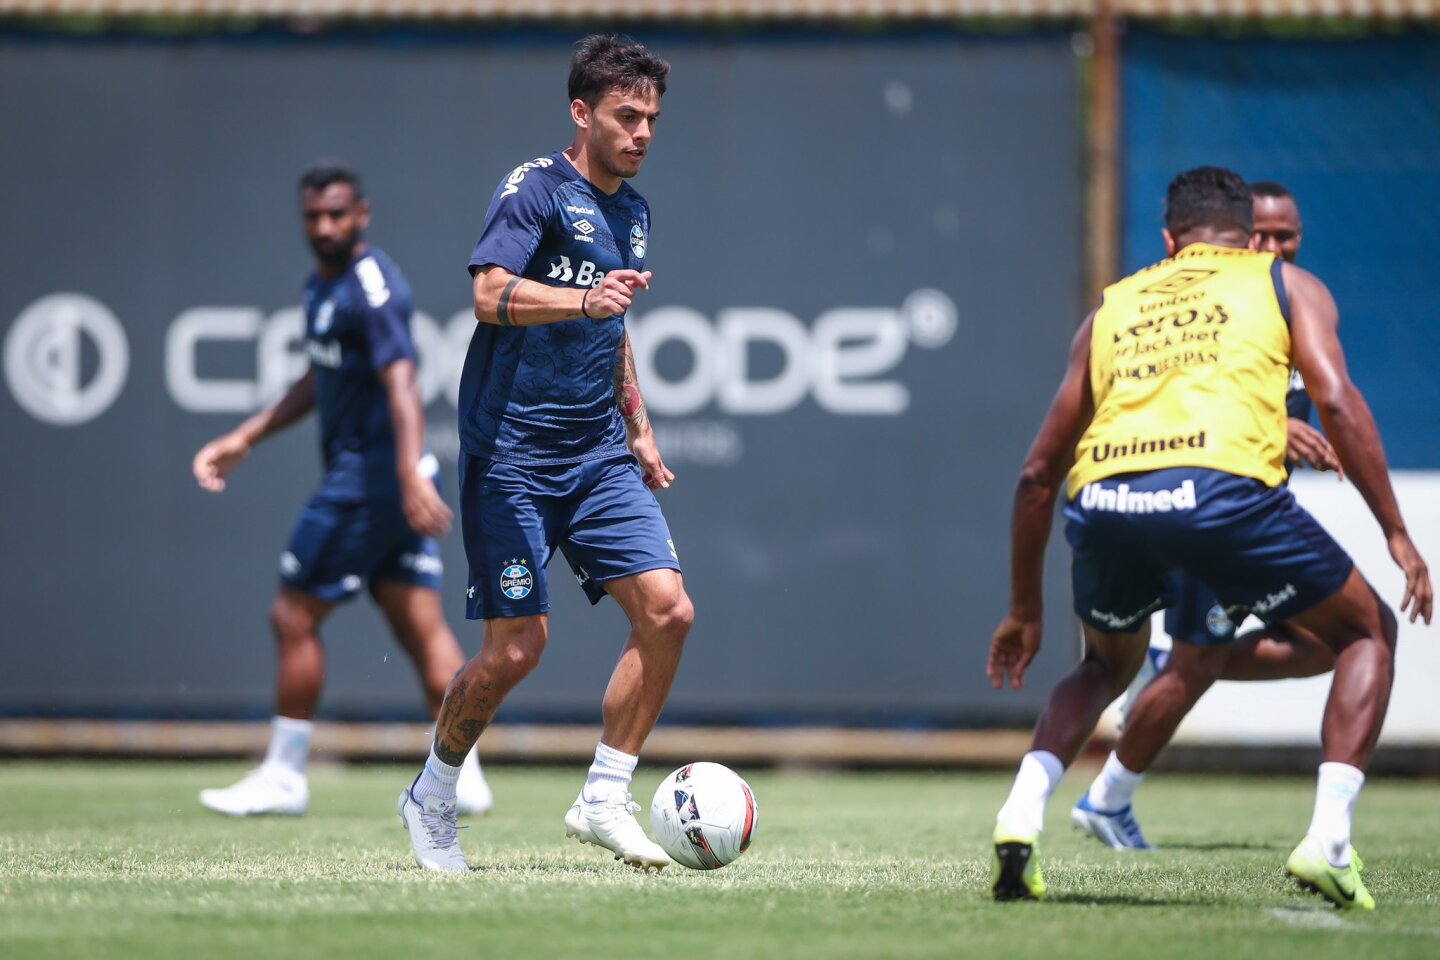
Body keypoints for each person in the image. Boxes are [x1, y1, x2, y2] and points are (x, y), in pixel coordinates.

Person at [985, 166, 1431, 909]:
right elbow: (1340, 400)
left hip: (1106, 498)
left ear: (1169, 238)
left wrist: (1024, 611)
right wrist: (1397, 534)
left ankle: (1019, 815)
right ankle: (1329, 843)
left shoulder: (1114, 307)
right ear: (1251, 236)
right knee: (1366, 631)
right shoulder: (1288, 288)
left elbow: (1037, 474)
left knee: (1103, 664)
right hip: (1219, 497)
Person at [397, 35, 693, 873]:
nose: (641, 133)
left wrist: (635, 423)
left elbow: (615, 320)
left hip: (596, 454)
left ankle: (605, 794)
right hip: (512, 456)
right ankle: (433, 790)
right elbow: (489, 295)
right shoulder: (535, 189)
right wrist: (582, 299)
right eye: (625, 117)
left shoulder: (632, 212)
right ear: (581, 113)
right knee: (518, 649)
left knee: (669, 611)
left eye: (651, 120)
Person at [193, 160, 491, 817]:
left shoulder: (369, 285)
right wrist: (247, 436)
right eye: (313, 216)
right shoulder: (321, 288)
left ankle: (285, 774)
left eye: (337, 214)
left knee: (292, 614)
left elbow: (404, 380)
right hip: (386, 482)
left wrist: (412, 468)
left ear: (362, 215)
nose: (324, 226)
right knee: (418, 623)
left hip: (368, 481)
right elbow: (317, 379)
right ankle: (461, 774)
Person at [1074, 181, 1341, 851]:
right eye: (1266, 235)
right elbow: (1191, 407)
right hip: (1208, 510)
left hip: (1255, 514)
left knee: (1316, 645)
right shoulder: (1220, 306)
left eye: (1289, 235)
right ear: (1241, 235)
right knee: (1210, 662)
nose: (1277, 246)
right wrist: (1279, 429)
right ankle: (1108, 798)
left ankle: (1150, 690)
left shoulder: (1289, 300)